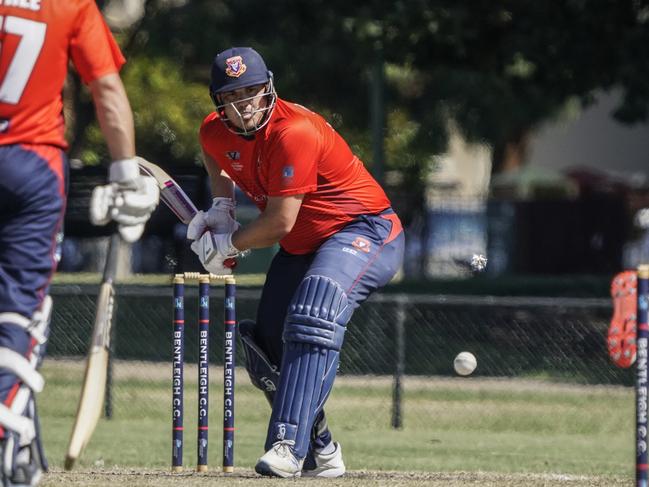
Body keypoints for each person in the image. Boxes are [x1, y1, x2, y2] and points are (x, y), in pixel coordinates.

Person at [188, 46, 405, 478]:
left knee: (315, 308)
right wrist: (221, 205)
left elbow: (279, 222)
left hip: (363, 229)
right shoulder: (214, 130)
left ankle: (288, 445)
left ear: (269, 87)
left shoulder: (295, 131)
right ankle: (321, 448)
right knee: (267, 347)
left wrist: (227, 245)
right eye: (234, 95)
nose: (246, 102)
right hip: (305, 245)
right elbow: (216, 154)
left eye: (253, 90)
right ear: (218, 101)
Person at [0, 1, 159, 485]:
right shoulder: (68, 4)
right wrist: (126, 172)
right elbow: (106, 88)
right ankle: (8, 435)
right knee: (19, 310)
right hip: (30, 162)